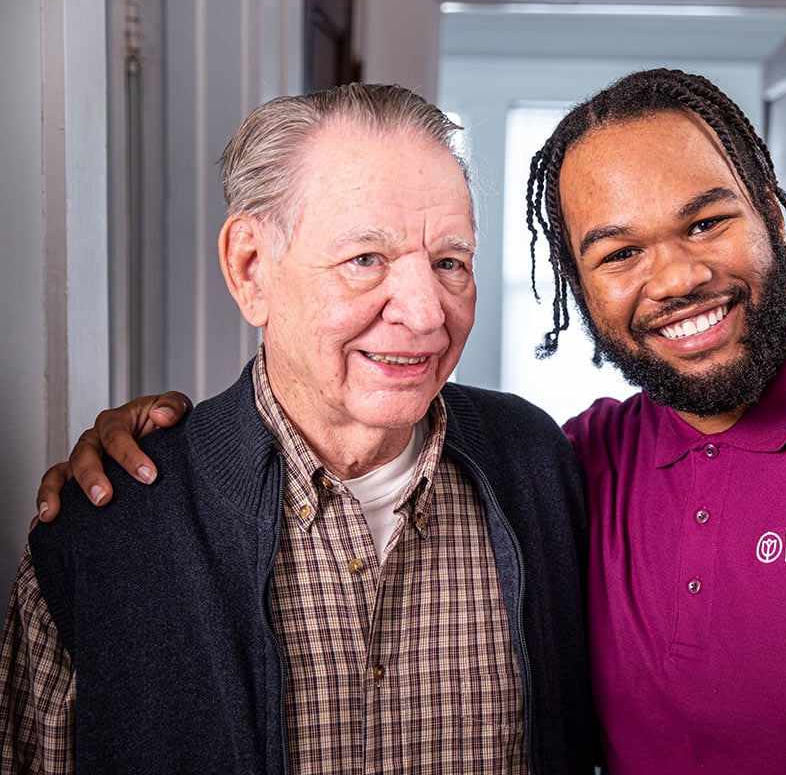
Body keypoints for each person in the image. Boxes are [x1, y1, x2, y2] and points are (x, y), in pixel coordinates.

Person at [33, 70, 786, 774]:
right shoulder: (583, 461)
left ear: (774, 214)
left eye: (449, 260)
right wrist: (153, 455)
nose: (675, 276)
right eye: (617, 251)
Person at [2, 83, 593, 774]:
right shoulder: (106, 529)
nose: (427, 314)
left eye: (449, 263)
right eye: (365, 259)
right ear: (251, 269)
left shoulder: (538, 468)